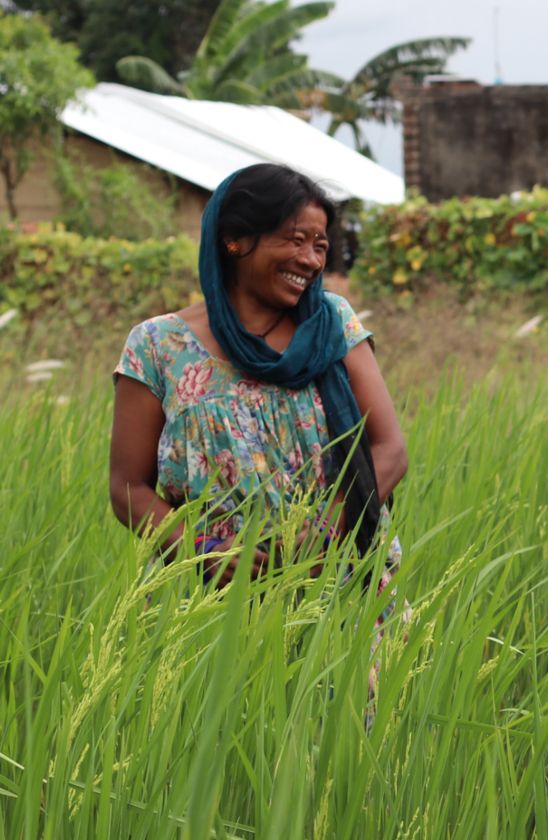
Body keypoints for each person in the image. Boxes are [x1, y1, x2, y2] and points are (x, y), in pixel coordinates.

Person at [108, 163, 407, 587]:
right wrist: (200, 549)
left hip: (338, 580)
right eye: (295, 240)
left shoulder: (332, 323)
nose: (310, 260)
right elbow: (127, 487)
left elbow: (389, 448)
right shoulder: (157, 346)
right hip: (215, 599)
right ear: (235, 240)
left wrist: (328, 527)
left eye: (320, 245)